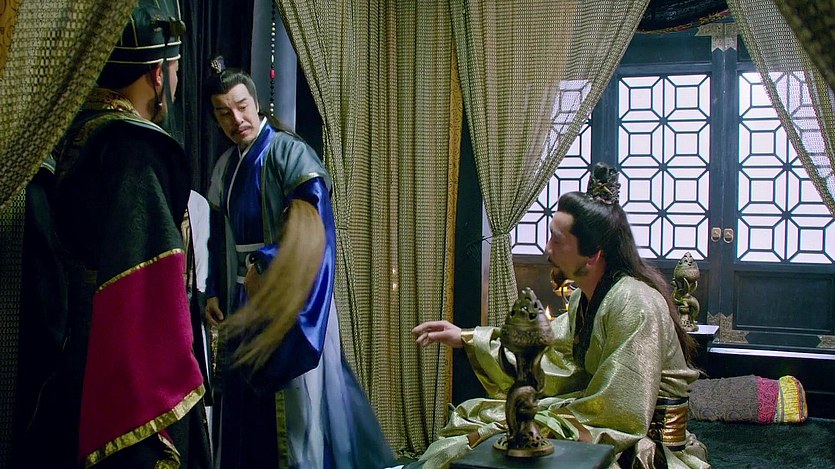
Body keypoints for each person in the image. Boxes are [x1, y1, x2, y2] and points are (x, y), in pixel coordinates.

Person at [412, 163, 710, 468]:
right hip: (600, 412)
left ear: (593, 255)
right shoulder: (585, 296)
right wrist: (465, 337)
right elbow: (549, 351)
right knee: (476, 415)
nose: (547, 249)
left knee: (497, 438)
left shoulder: (635, 303)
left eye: (557, 240)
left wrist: (543, 423)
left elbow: (622, 408)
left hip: (640, 440)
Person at [21, 2, 212, 467]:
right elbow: (144, 301)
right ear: (157, 74)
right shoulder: (133, 149)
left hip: (73, 361)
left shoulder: (73, 131)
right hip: (121, 377)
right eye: (175, 69)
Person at [203, 58, 393, 468]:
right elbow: (218, 237)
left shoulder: (290, 153)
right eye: (224, 113)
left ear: (256, 103)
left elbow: (313, 229)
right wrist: (215, 289)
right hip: (242, 297)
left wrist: (266, 263)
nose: (236, 120)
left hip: (291, 294)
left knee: (299, 411)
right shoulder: (225, 167)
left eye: (241, 106)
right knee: (246, 407)